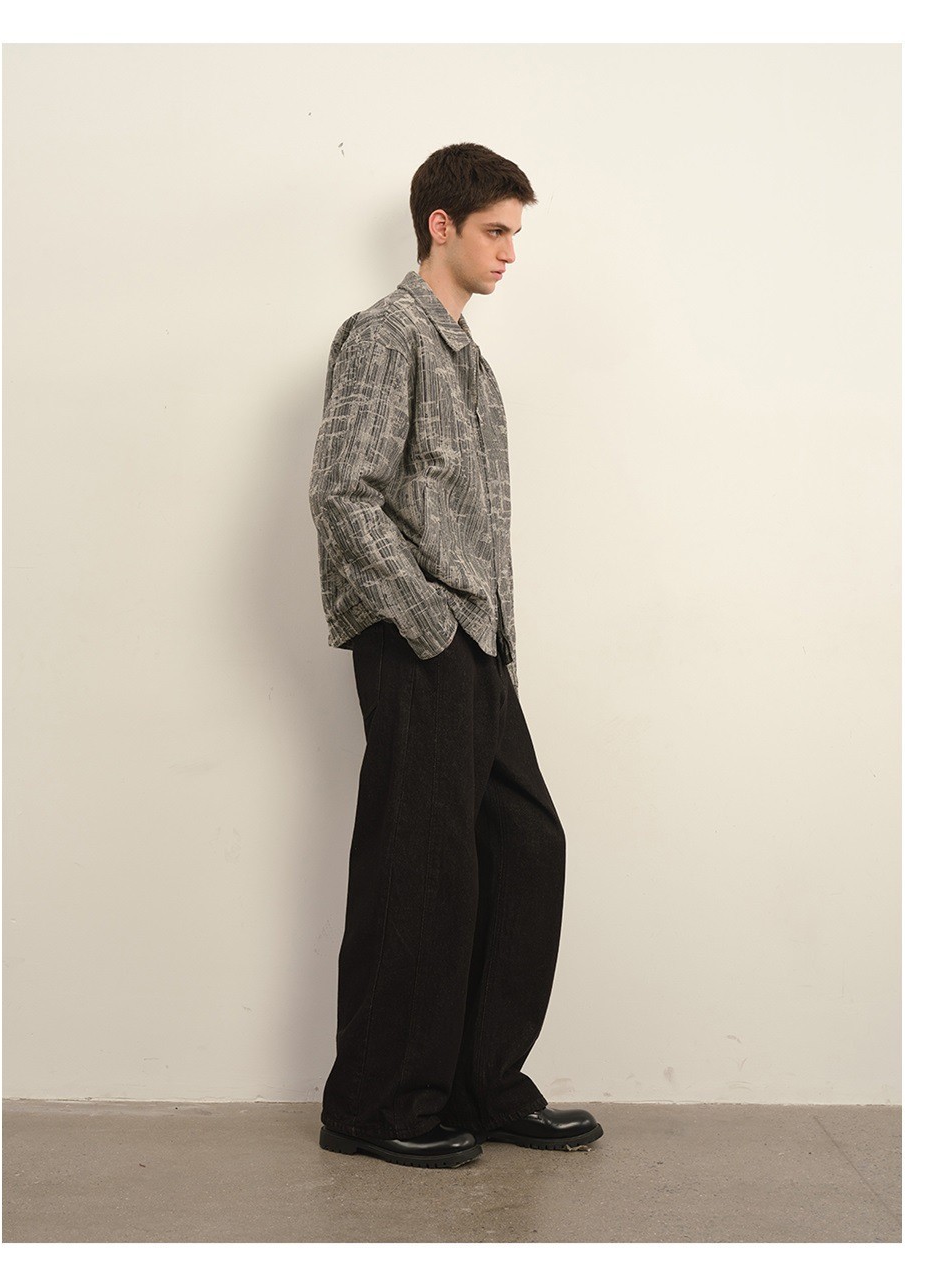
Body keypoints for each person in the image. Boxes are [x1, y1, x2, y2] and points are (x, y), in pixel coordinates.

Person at [308, 142, 602, 1168]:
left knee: (523, 848)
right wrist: (428, 622)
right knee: (421, 866)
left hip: (477, 645)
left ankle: (481, 1083)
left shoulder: (466, 355)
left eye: (516, 232)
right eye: (495, 230)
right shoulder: (384, 336)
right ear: (440, 225)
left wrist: (489, 641)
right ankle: (377, 1105)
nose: (510, 251)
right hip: (419, 639)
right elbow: (342, 491)